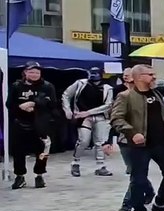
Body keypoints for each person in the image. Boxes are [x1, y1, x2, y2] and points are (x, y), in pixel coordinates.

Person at [110, 64, 164, 211]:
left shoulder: (156, 93)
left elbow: (162, 112)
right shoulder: (125, 96)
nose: (154, 77)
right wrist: (132, 133)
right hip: (140, 145)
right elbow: (116, 119)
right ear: (139, 77)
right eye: (150, 75)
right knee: (138, 179)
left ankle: (160, 203)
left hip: (161, 142)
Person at [7, 61, 59, 190]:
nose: (34, 74)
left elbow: (52, 104)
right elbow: (9, 104)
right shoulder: (16, 86)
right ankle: (19, 176)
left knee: (42, 150)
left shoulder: (47, 86)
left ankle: (39, 175)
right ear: (25, 72)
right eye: (31, 72)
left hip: (41, 123)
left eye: (37, 72)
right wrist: (20, 107)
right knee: (18, 152)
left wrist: (34, 104)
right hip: (20, 123)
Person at [109, 67, 154, 211]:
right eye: (124, 76)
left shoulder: (149, 94)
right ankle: (148, 189)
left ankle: (127, 204)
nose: (126, 79)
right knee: (134, 171)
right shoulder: (120, 95)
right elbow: (114, 118)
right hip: (125, 140)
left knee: (135, 172)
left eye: (129, 76)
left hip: (143, 140)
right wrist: (107, 140)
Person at [61, 66, 115, 178]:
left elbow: (108, 105)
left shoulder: (107, 88)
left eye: (96, 73)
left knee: (100, 142)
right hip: (82, 116)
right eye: (92, 73)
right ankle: (75, 162)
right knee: (83, 140)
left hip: (100, 117)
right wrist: (67, 110)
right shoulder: (81, 83)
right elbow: (66, 95)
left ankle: (101, 166)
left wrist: (88, 112)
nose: (94, 75)